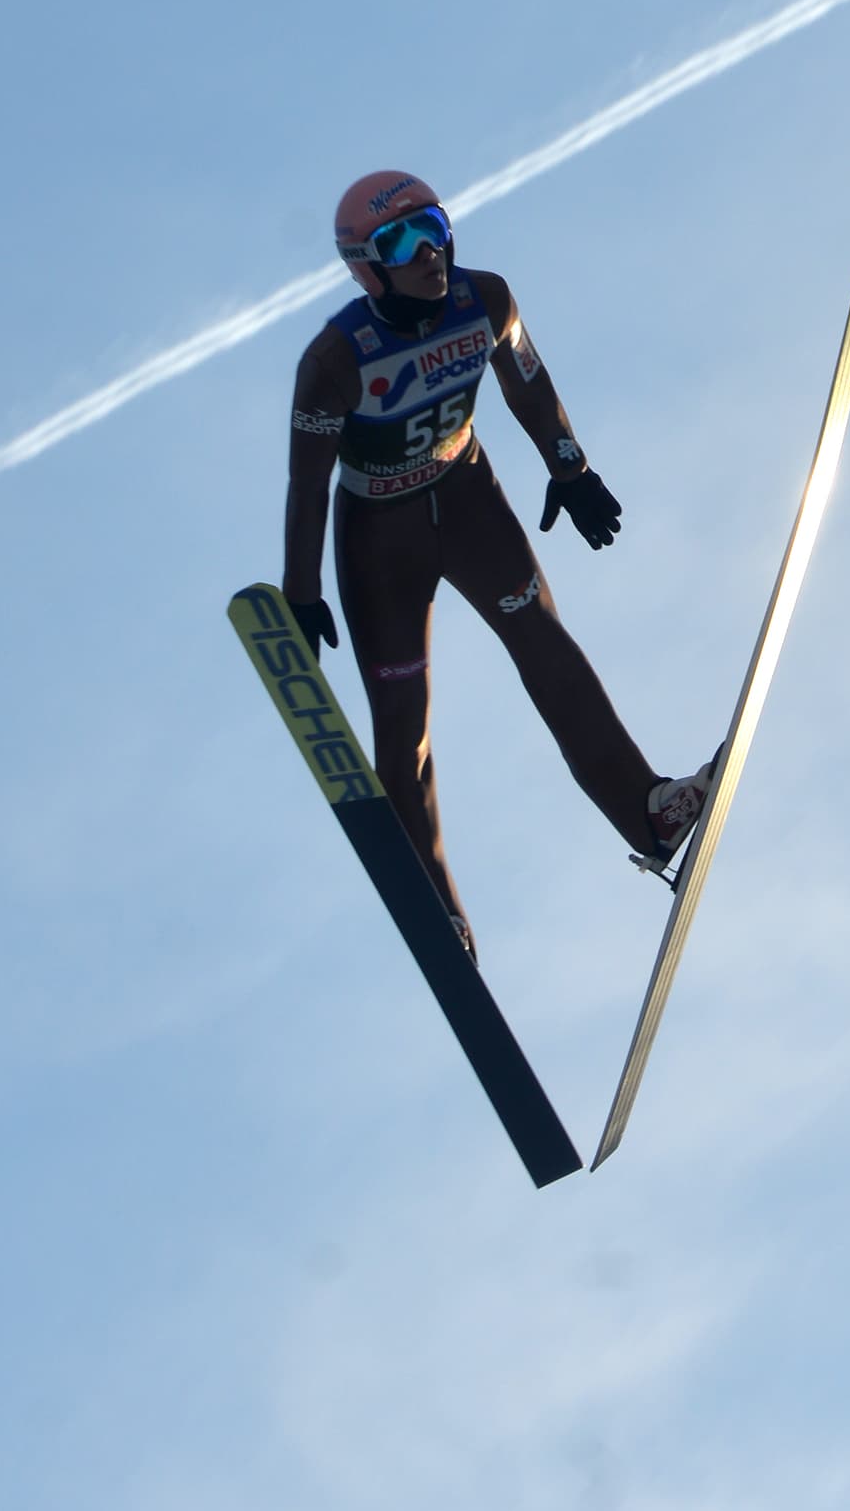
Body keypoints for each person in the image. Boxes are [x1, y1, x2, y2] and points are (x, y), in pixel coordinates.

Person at [282, 170, 710, 960]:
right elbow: (306, 483)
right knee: (403, 726)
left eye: (436, 228)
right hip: (381, 538)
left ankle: (648, 811)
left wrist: (571, 469)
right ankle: (436, 906)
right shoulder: (335, 361)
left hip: (468, 497)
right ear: (365, 267)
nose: (429, 255)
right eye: (401, 243)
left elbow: (529, 382)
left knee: (544, 641)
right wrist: (301, 593)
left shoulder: (488, 300)